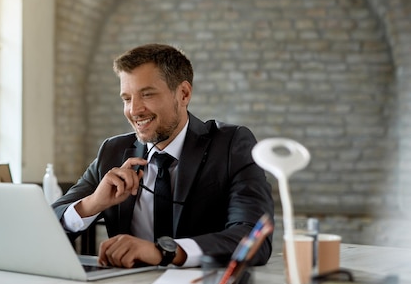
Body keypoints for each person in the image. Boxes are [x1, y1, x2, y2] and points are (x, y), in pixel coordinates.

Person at [52, 43, 274, 268]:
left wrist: (164, 252)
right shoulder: (113, 151)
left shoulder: (231, 144)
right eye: (127, 99)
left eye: (147, 94)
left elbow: (255, 238)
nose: (134, 110)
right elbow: (47, 225)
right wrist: (92, 204)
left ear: (184, 94)